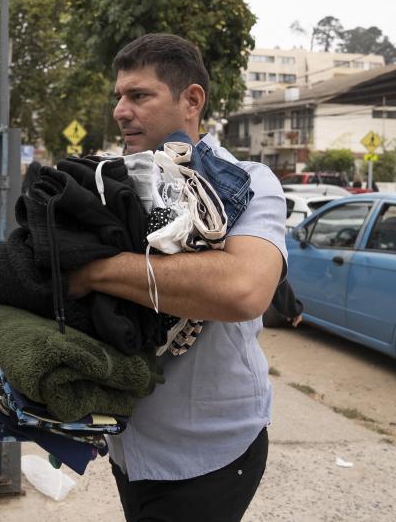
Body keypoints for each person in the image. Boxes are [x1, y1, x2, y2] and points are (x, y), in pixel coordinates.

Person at [67, 34, 287, 522]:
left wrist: (93, 270)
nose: (121, 110)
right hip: (130, 444)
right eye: (118, 97)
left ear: (192, 100)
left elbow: (242, 289)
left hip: (210, 449)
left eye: (139, 96)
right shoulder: (112, 180)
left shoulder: (249, 182)